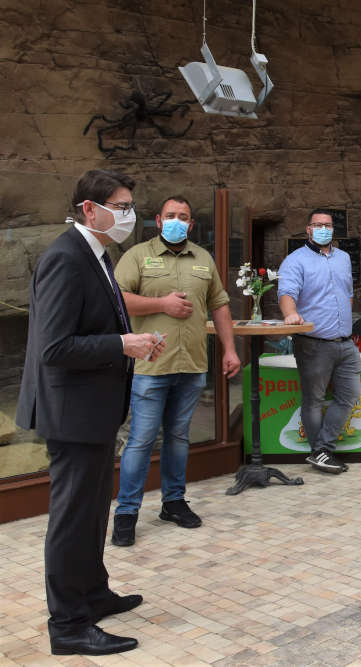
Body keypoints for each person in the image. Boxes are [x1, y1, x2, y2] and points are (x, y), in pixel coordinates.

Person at [15, 169, 165, 656]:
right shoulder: (64, 257)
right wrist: (123, 343)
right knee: (72, 518)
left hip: (94, 411)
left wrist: (134, 345)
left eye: (129, 206)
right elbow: (54, 347)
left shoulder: (96, 255)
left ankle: (93, 593)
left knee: (92, 510)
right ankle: (68, 625)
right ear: (89, 208)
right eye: (121, 206)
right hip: (72, 413)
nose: (128, 215)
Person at [110, 195, 241, 547]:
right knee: (141, 440)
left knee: (179, 438)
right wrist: (161, 304)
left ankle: (173, 502)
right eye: (170, 215)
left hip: (192, 364)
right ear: (157, 219)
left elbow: (220, 305)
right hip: (150, 366)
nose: (176, 221)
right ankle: (126, 513)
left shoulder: (203, 258)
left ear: (191, 224)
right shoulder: (138, 255)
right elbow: (116, 298)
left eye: (183, 216)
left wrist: (229, 349)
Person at [278, 208, 359, 473]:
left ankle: (323, 449)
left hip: (345, 342)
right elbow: (287, 293)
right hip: (313, 342)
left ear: (333, 230)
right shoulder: (295, 260)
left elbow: (348, 294)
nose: (324, 228)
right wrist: (290, 315)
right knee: (313, 399)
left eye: (328, 225)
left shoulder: (344, 258)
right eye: (318, 224)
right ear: (309, 229)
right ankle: (321, 452)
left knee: (349, 396)